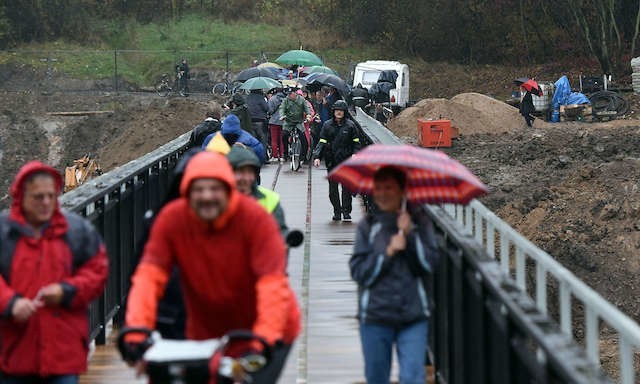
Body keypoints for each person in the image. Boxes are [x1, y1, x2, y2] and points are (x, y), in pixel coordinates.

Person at [124, 151, 300, 383]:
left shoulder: (256, 220)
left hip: (265, 328)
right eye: (198, 190)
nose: (207, 196)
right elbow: (149, 276)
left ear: (228, 189)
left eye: (215, 189)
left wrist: (263, 338)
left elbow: (271, 283)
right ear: (187, 192)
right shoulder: (171, 219)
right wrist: (136, 330)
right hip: (206, 330)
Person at [0, 161, 109, 383]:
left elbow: (97, 271)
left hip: (63, 352)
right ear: (21, 196)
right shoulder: (4, 233)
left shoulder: (76, 230)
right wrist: (10, 303)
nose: (46, 202)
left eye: (51, 196)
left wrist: (66, 291)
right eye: (38, 197)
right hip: (15, 351)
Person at [350, 166, 439, 384]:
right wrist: (388, 253)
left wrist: (410, 237)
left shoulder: (420, 223)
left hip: (413, 315)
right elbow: (360, 273)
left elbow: (429, 265)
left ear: (402, 191)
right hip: (375, 316)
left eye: (389, 188)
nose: (382, 193)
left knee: (412, 377)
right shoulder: (367, 226)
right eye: (378, 188)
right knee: (376, 377)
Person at [313, 100, 361, 221]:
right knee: (333, 189)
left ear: (344, 112)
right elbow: (322, 141)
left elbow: (356, 142)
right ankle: (337, 211)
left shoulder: (351, 125)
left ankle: (346, 211)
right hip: (332, 160)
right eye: (337, 110)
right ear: (333, 111)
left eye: (341, 111)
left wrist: (355, 154)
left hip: (346, 160)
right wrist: (317, 157)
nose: (339, 112)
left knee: (346, 188)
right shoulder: (327, 125)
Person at [227, 145, 288, 235]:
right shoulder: (218, 199)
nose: (246, 178)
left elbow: (280, 232)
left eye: (250, 172)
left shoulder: (270, 199)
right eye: (240, 172)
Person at [279, 87, 311, 161]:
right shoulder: (286, 100)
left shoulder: (301, 100)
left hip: (299, 122)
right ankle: (285, 153)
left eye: (291, 94)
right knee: (284, 135)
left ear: (295, 93)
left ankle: (303, 156)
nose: (289, 95)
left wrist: (308, 115)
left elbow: (307, 108)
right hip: (288, 122)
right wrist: (282, 116)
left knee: (304, 139)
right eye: (288, 94)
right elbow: (282, 108)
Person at [246, 89, 270, 158]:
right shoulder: (260, 97)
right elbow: (267, 108)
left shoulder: (247, 98)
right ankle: (264, 157)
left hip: (250, 121)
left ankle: (253, 156)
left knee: (253, 140)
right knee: (263, 140)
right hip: (260, 121)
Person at [267, 88, 286, 162]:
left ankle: (275, 156)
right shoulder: (286, 99)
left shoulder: (272, 99)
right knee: (282, 139)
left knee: (274, 139)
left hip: (274, 121)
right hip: (284, 121)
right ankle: (282, 155)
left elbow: (270, 110)